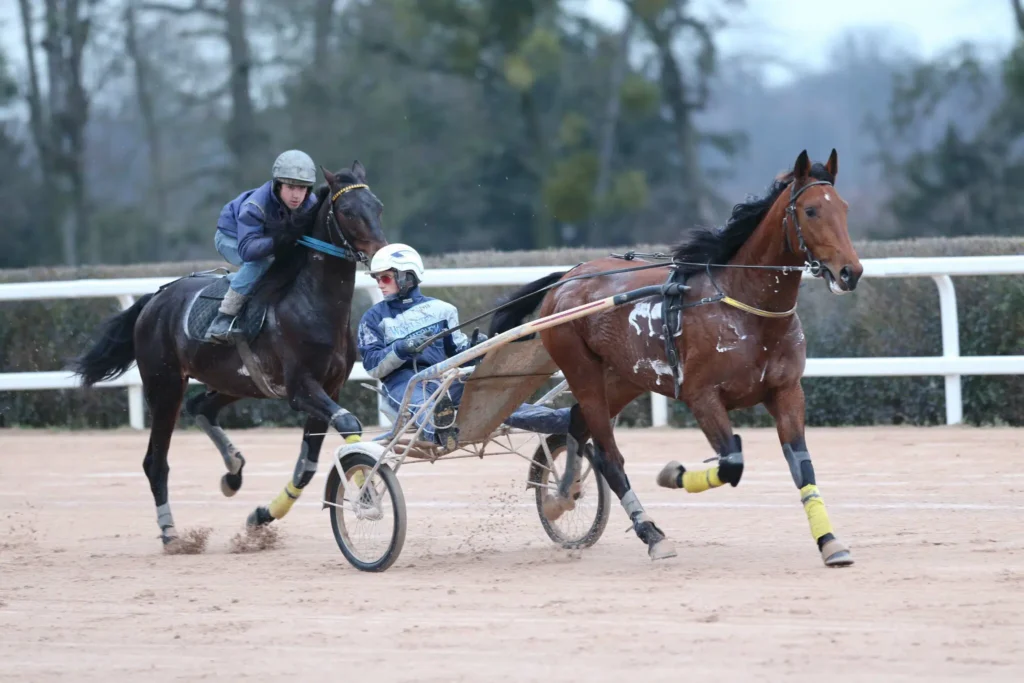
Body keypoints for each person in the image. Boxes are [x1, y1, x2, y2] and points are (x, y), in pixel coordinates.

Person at [357, 244, 572, 450]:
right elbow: (373, 366)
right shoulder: (373, 318)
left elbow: (457, 352)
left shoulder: (442, 310)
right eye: (377, 278)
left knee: (493, 400)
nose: (379, 283)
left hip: (445, 380)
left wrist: (477, 349)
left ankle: (558, 419)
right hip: (404, 384)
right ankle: (441, 431)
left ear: (407, 277)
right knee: (422, 402)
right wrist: (401, 349)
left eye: (384, 277)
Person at [205, 149, 320, 343]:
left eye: (302, 188)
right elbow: (248, 251)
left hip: (262, 240)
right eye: (291, 187)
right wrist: (278, 240)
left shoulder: (310, 203)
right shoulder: (255, 206)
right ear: (278, 185)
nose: (296, 195)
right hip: (231, 238)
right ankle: (223, 318)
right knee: (263, 261)